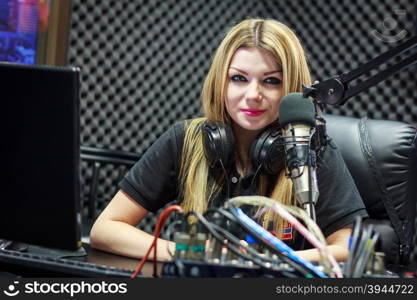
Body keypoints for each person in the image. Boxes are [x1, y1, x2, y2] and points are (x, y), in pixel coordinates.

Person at [90, 18, 368, 262]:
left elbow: (349, 247)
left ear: (292, 87)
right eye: (238, 78)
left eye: (270, 81)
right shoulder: (185, 141)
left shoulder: (310, 148)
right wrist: (195, 254)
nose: (253, 94)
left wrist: (263, 260)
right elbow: (106, 228)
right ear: (220, 82)